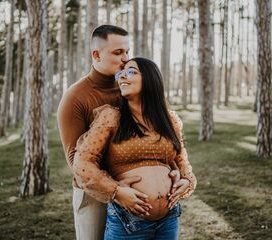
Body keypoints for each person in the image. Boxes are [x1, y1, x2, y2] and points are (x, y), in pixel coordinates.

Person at [57, 25, 185, 240]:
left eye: (127, 51)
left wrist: (173, 171)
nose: (126, 59)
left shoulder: (132, 84)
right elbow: (74, 160)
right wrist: (115, 190)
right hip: (94, 194)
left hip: (148, 205)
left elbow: (157, 136)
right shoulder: (75, 98)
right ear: (96, 55)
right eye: (118, 53)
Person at [73, 57, 197, 239]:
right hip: (127, 221)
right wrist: (116, 191)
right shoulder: (111, 117)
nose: (122, 77)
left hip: (169, 218)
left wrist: (187, 181)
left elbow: (181, 160)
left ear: (150, 78)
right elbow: (83, 163)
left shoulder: (169, 120)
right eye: (121, 73)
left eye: (131, 71)